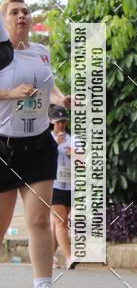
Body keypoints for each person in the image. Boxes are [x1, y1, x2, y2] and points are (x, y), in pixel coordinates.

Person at [0, 0, 71, 288]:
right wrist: (9, 94)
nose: (22, 16)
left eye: (25, 11)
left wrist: (62, 98)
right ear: (4, 21)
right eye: (14, 12)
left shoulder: (41, 53)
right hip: (4, 147)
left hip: (39, 145)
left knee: (40, 220)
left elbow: (50, 89)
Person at [48, 104, 73, 268]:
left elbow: (82, 161)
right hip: (53, 184)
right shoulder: (47, 139)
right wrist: (54, 145)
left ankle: (47, 257)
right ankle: (70, 257)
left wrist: (75, 154)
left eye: (63, 121)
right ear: (51, 122)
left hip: (69, 185)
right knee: (61, 221)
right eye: (58, 122)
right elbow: (39, 160)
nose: (61, 125)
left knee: (56, 224)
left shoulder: (72, 139)